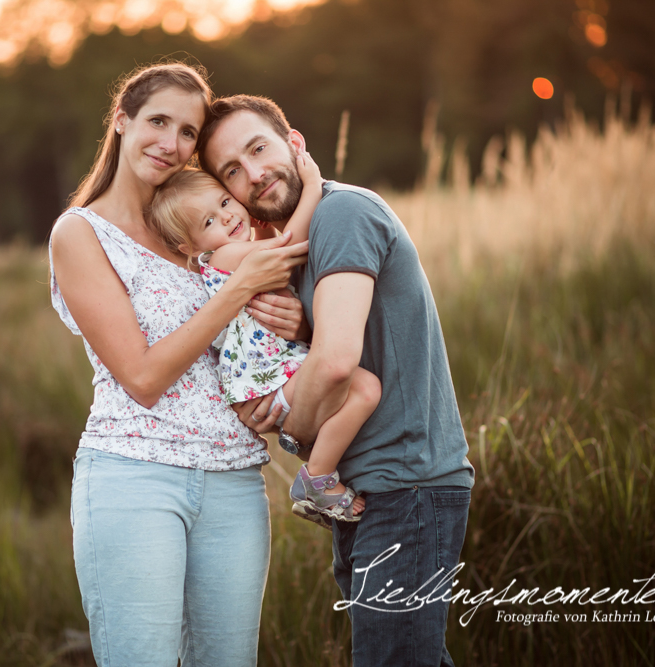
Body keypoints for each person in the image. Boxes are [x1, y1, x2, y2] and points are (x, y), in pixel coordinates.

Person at [198, 95, 476, 667]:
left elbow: (332, 364)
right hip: (371, 491)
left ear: (293, 144)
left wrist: (292, 434)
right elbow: (326, 343)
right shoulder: (300, 242)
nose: (254, 174)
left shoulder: (341, 213)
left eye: (258, 149)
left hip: (408, 484)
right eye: (232, 171)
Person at [49, 64, 308, 667]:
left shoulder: (199, 223)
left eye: (188, 131)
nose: (172, 143)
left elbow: (255, 324)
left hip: (236, 480)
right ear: (121, 121)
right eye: (158, 121)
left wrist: (290, 321)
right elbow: (140, 378)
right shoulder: (80, 233)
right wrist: (239, 287)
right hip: (135, 478)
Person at [146, 154, 381, 520]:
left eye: (225, 202)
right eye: (209, 221)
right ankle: (317, 478)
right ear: (191, 248)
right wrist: (313, 188)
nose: (226, 216)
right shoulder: (221, 256)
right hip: (266, 377)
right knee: (365, 390)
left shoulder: (237, 248)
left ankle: (322, 472)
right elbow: (290, 245)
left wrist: (262, 227)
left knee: (358, 392)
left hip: (273, 369)